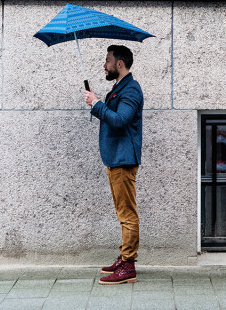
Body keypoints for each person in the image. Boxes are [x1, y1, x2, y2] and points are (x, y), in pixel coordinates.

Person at [84, 45, 143, 285]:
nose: (104, 64)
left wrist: (97, 103)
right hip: (115, 158)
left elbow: (120, 120)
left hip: (123, 159)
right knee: (123, 212)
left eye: (107, 60)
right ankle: (124, 256)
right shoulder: (120, 87)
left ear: (119, 64)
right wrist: (98, 101)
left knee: (127, 214)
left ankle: (128, 265)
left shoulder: (132, 89)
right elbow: (114, 115)